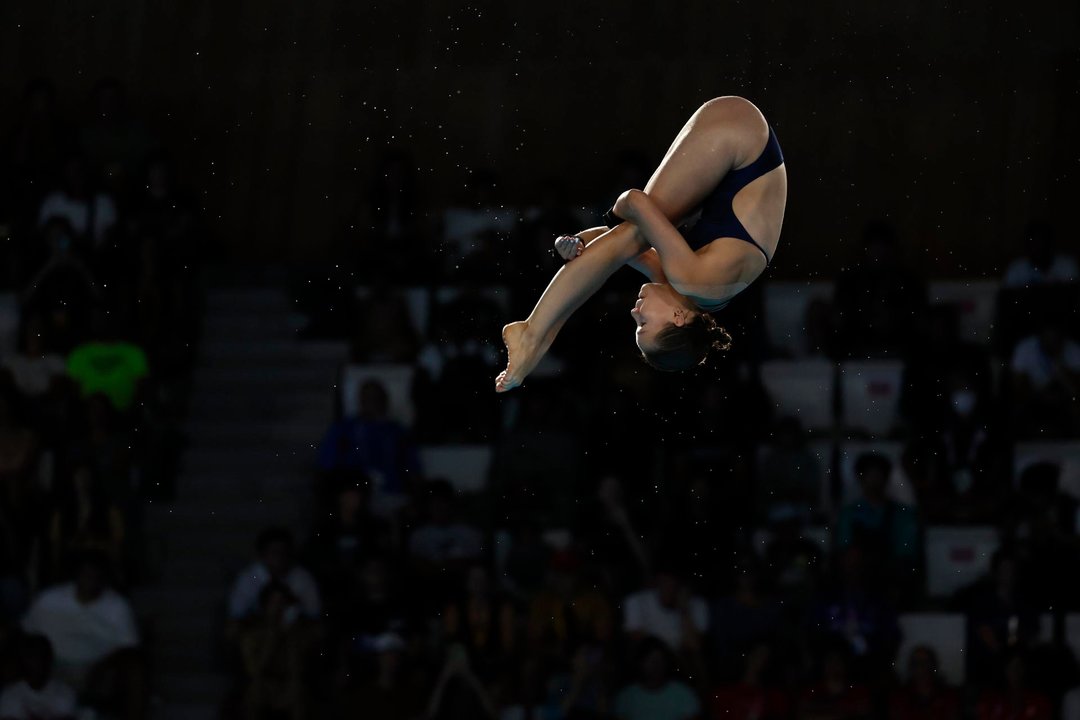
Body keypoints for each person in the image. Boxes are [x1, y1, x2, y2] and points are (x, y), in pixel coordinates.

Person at [496, 96, 786, 389]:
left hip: (742, 145)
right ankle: (532, 334)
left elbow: (618, 252)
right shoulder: (695, 281)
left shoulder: (696, 292)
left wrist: (578, 243)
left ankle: (538, 335)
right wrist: (615, 218)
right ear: (678, 318)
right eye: (643, 324)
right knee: (633, 235)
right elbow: (634, 201)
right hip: (741, 137)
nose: (635, 313)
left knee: (631, 239)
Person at [0, 634, 79, 720]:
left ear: (49, 660)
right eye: (32, 657)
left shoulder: (64, 693)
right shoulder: (10, 695)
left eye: (41, 656)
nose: (37, 663)